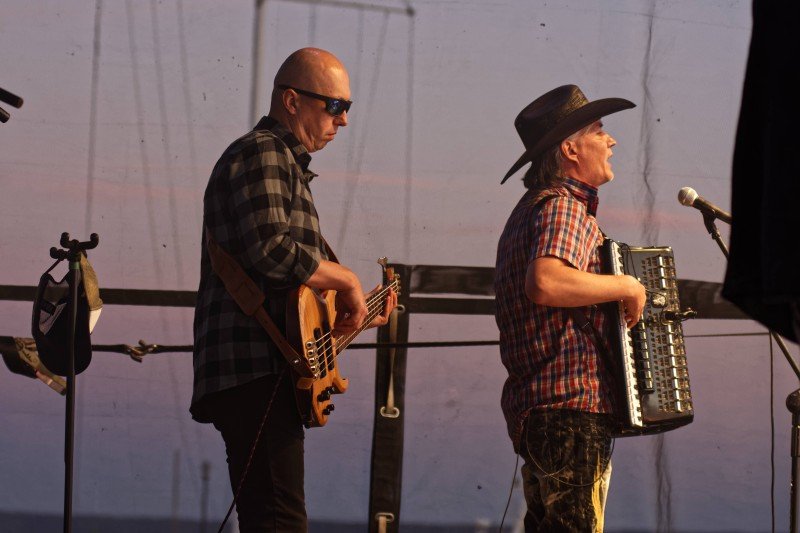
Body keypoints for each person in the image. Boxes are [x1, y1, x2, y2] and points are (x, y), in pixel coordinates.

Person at [190, 47, 397, 532]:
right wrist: (345, 279)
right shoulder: (262, 151)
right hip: (253, 370)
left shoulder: (283, 162)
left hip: (265, 368)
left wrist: (352, 317)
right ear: (291, 100)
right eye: (335, 106)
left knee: (276, 519)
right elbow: (270, 250)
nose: (343, 120)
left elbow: (293, 308)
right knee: (280, 521)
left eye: (348, 108)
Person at [494, 84, 646, 532]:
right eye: (599, 130)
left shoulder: (530, 210)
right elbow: (545, 281)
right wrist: (625, 286)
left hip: (543, 410)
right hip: (569, 408)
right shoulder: (564, 208)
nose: (610, 140)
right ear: (570, 149)